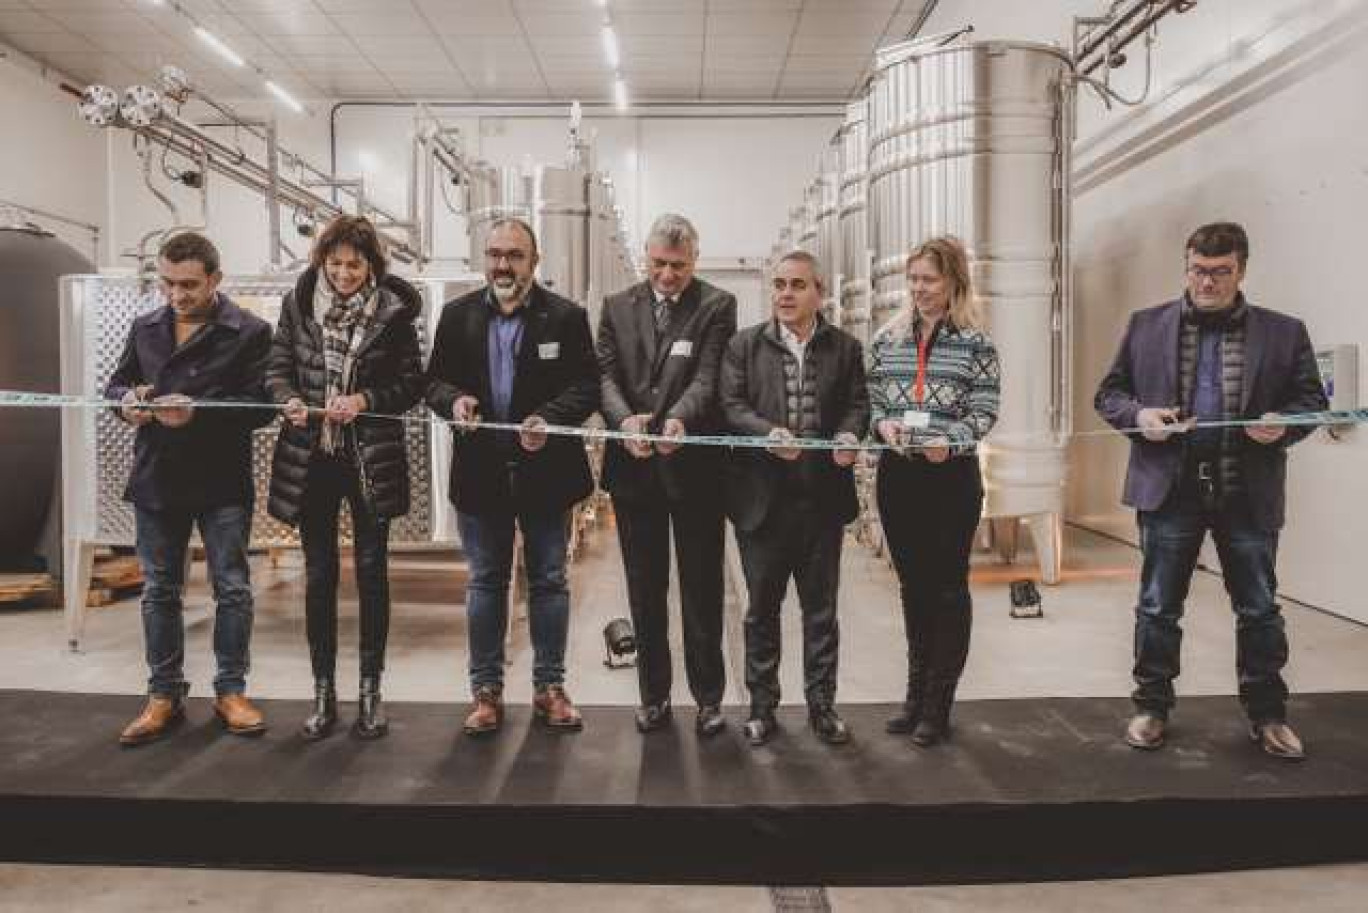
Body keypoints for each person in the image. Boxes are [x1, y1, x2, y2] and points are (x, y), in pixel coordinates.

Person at [1095, 221, 1327, 760]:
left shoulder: (1284, 332)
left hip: (1246, 493)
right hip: (1169, 492)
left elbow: (1309, 400)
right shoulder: (1145, 325)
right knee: (1157, 608)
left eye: (1220, 273)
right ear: (1187, 267)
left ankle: (1268, 715)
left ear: (1241, 270)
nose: (1207, 282)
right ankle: (1151, 707)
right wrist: (1140, 416)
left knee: (1260, 609)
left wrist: (1284, 424)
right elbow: (1109, 394)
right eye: (1199, 270)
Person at [425, 218, 600, 736]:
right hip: (481, 475)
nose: (503, 265)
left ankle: (549, 688)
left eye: (515, 255)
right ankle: (486, 693)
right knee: (486, 582)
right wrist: (452, 401)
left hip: (548, 474)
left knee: (549, 580)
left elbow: (587, 385)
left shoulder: (565, 318)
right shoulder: (456, 318)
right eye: (495, 254)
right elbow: (432, 381)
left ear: (534, 261)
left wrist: (551, 418)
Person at [106, 231, 274, 746]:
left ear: (216, 280)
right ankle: (163, 694)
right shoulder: (146, 326)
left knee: (232, 588)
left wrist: (197, 411)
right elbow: (115, 384)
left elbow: (263, 405)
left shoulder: (248, 331)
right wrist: (127, 400)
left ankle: (231, 691)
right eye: (168, 283)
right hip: (157, 475)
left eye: (189, 285)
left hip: (221, 477)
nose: (177, 295)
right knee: (159, 591)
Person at [265, 215, 424, 740]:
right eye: (334, 263)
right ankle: (323, 693)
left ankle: (371, 694)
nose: (344, 274)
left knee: (373, 574)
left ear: (372, 264)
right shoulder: (298, 303)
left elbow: (410, 384)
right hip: (312, 455)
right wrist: (287, 398)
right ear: (321, 262)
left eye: (354, 264)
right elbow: (278, 365)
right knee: (319, 576)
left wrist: (365, 401)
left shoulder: (395, 313)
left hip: (368, 457)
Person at [721, 249, 869, 746]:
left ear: (818, 292)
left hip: (821, 503)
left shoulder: (846, 348)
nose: (785, 293)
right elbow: (731, 405)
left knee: (821, 612)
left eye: (797, 285)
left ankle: (822, 708)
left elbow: (856, 406)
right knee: (761, 610)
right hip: (761, 505)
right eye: (779, 284)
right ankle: (762, 707)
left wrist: (849, 436)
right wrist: (766, 433)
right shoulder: (744, 346)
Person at [597, 213, 737, 737]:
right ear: (646, 259)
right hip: (633, 470)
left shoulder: (717, 305)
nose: (667, 275)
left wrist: (679, 419)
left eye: (678, 266)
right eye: (658, 264)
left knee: (702, 590)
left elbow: (710, 376)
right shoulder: (615, 307)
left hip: (695, 471)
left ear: (694, 262)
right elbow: (604, 375)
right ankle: (653, 697)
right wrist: (622, 419)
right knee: (645, 590)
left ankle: (708, 700)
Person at [868, 236, 1000, 748]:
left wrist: (955, 440)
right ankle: (914, 693)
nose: (919, 289)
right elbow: (874, 402)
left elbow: (985, 409)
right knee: (911, 587)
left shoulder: (977, 344)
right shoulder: (886, 339)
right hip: (899, 477)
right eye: (915, 279)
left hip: (952, 478)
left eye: (930, 280)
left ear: (954, 283)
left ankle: (938, 704)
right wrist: (883, 429)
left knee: (947, 588)